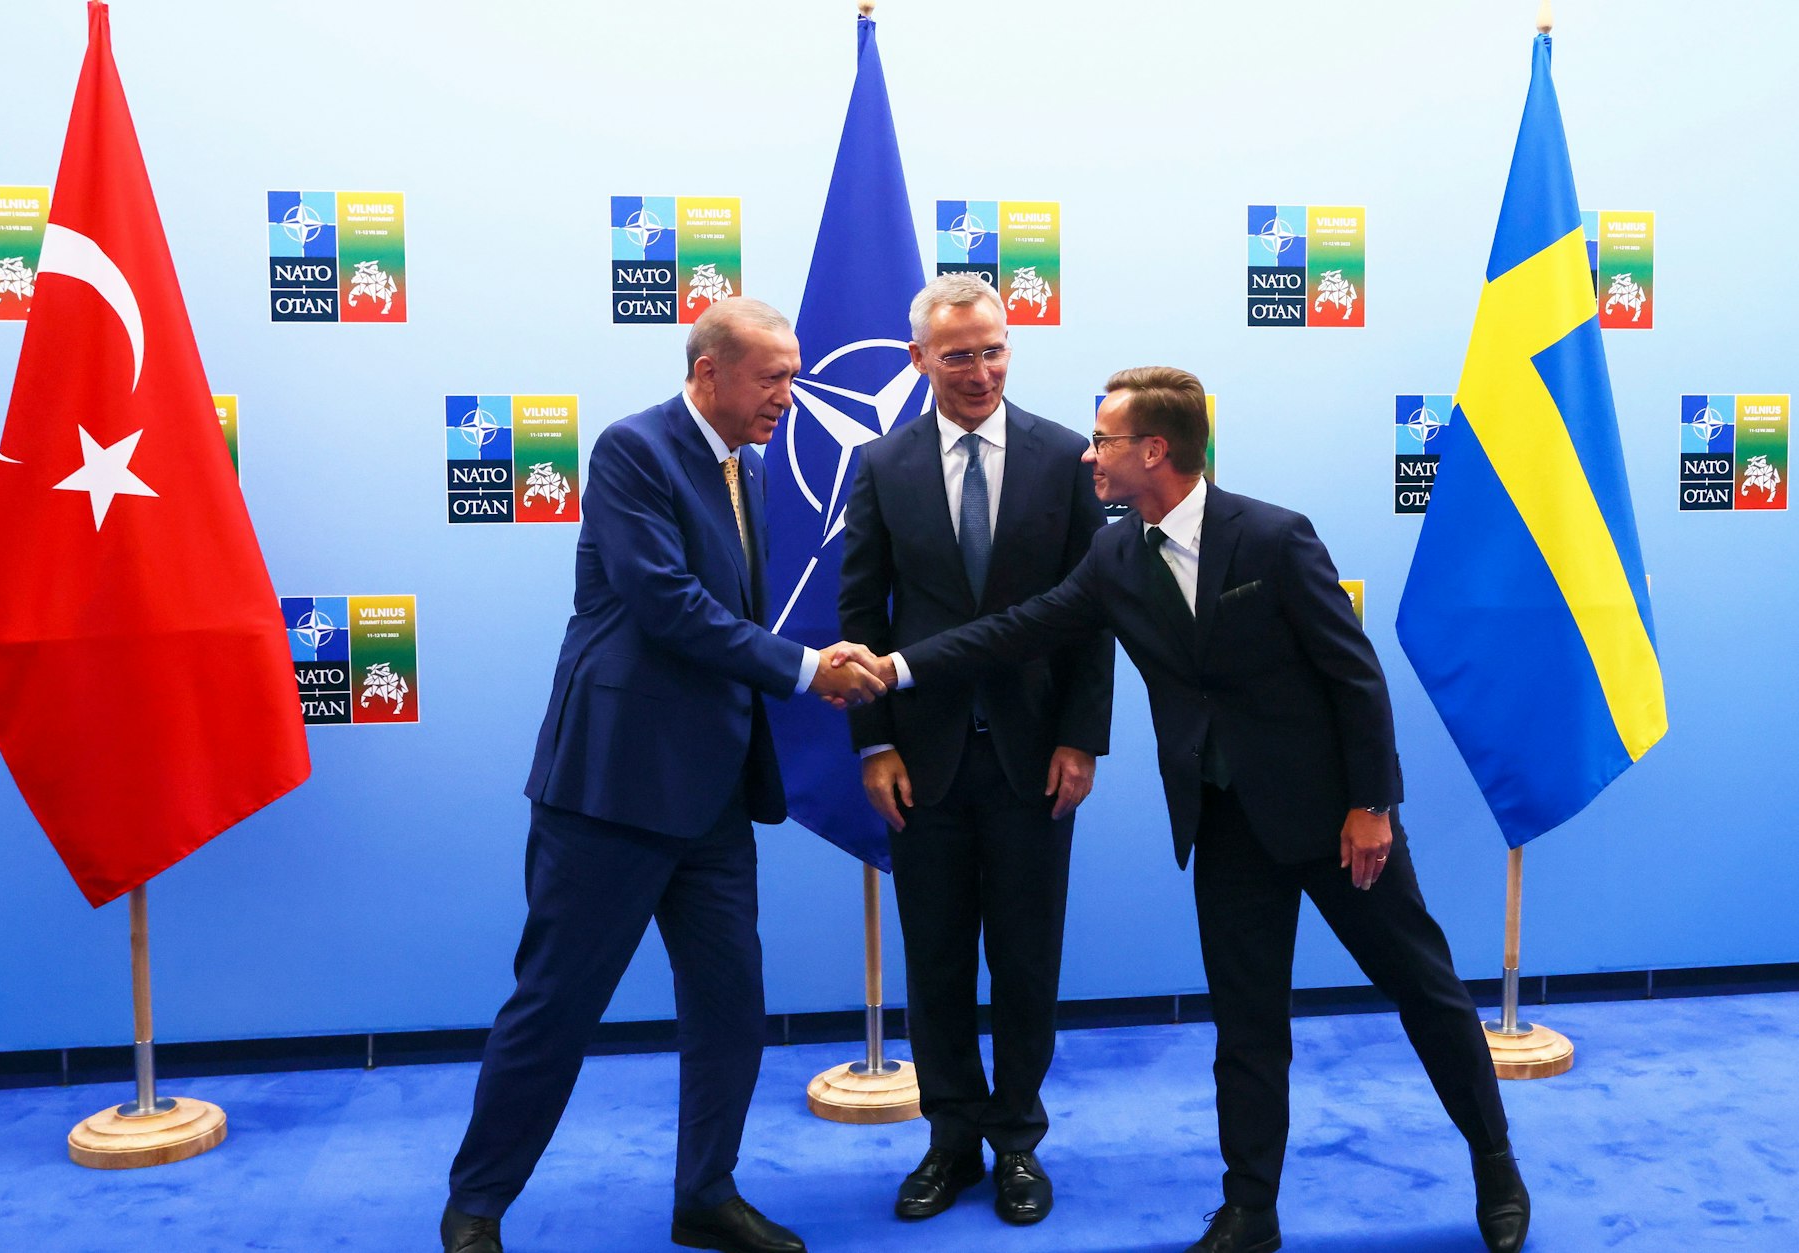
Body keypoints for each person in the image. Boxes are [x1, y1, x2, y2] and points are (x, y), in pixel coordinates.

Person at [844, 367, 1531, 1253]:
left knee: (1426, 992)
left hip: (1335, 822)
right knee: (1246, 1025)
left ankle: (1495, 1163)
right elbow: (1019, 628)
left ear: (1155, 450)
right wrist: (895, 669)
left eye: (1106, 441)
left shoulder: (1275, 537)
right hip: (1224, 823)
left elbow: (1355, 678)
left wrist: (1372, 803)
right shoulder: (1116, 553)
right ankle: (1251, 1209)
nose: (1089, 455)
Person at [441, 299, 887, 1253]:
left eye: (794, 376)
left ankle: (705, 1194)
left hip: (715, 796)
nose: (788, 396)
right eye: (771, 377)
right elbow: (670, 606)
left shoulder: (752, 468)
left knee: (730, 1007)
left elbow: (727, 616)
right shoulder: (630, 449)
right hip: (613, 787)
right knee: (555, 1006)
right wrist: (809, 669)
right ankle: (476, 1206)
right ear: (707, 370)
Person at [836, 274, 1113, 1227]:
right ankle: (951, 1137)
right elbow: (860, 616)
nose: (980, 369)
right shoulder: (880, 465)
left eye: (994, 349)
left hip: (1038, 758)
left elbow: (1093, 618)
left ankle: (1018, 1142)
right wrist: (872, 743)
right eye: (958, 354)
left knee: (1029, 960)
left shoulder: (1067, 457)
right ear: (919, 360)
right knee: (940, 958)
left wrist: (1083, 738)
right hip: (924, 761)